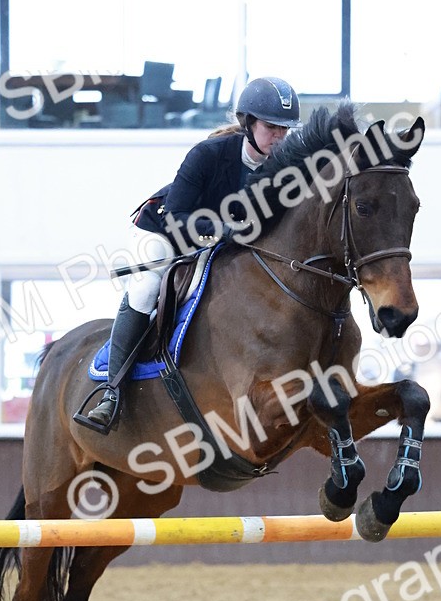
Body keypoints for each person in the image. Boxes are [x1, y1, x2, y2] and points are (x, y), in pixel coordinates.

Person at [86, 76, 299, 429]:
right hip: (162, 231)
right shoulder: (208, 154)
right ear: (248, 123)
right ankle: (112, 391)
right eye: (271, 127)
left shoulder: (283, 170)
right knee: (146, 289)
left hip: (217, 243)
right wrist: (223, 230)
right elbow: (177, 214)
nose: (279, 136)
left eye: (285, 129)